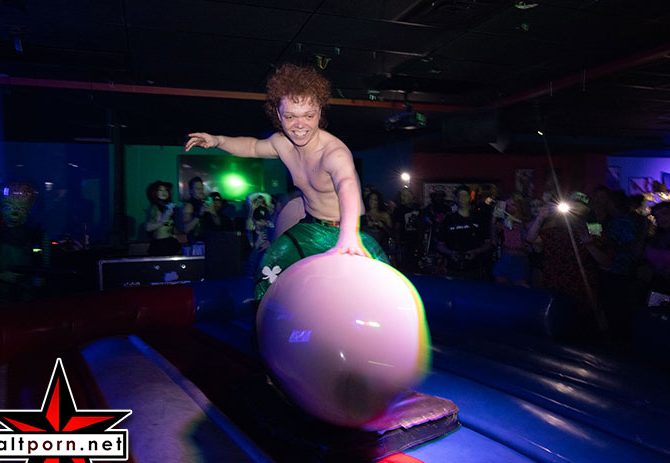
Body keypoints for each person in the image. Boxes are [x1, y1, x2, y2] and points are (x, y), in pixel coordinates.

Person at [185, 63, 387, 299]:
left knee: (373, 291)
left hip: (350, 228)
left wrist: (349, 234)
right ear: (279, 115)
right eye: (290, 116)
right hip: (312, 227)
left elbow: (347, 185)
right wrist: (218, 140)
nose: (300, 125)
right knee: (268, 271)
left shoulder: (334, 152)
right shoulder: (281, 143)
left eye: (308, 116)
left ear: (320, 112)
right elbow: (252, 146)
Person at [144, 180, 181, 256]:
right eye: (160, 190)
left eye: (166, 190)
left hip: (170, 242)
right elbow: (148, 227)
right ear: (155, 192)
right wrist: (163, 220)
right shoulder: (154, 207)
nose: (164, 192)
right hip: (160, 244)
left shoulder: (167, 207)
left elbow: (170, 226)